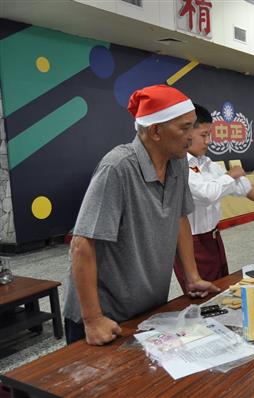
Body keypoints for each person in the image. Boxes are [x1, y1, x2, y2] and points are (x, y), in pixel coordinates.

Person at [63, 85, 219, 346]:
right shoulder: (118, 168)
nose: (191, 137)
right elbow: (82, 244)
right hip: (104, 315)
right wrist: (92, 319)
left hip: (146, 308)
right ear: (155, 131)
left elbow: (180, 217)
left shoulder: (178, 163)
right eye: (184, 128)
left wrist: (191, 277)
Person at [173, 104, 254, 288]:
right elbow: (207, 194)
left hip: (214, 239)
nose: (208, 141)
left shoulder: (207, 164)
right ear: (187, 132)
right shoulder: (178, 165)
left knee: (220, 287)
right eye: (204, 135)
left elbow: (245, 187)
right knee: (201, 296)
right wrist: (229, 176)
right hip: (192, 244)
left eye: (210, 134)